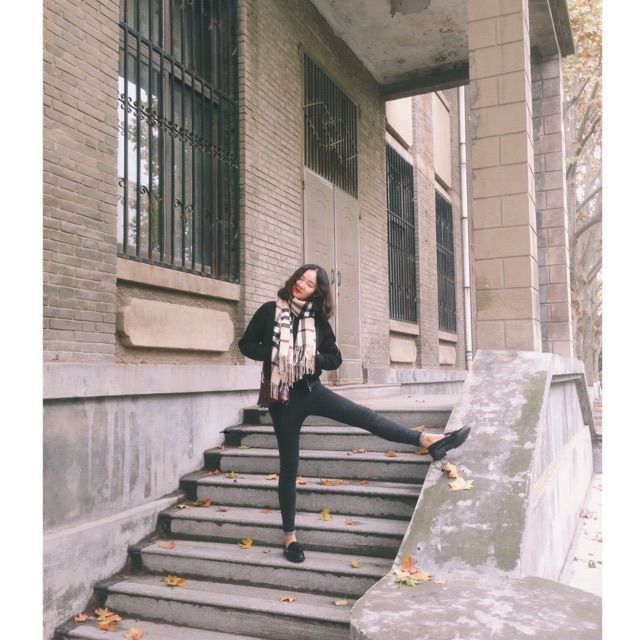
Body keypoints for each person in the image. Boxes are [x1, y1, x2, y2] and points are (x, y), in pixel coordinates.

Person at [239, 264, 470, 563]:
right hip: (283, 398)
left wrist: (311, 357)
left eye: (309, 283)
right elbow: (246, 345)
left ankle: (426, 440)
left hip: (312, 391)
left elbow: (334, 358)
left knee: (366, 417)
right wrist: (276, 354)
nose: (301, 284)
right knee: (289, 465)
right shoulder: (270, 310)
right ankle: (290, 536)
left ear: (317, 292)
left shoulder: (317, 320)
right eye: (300, 279)